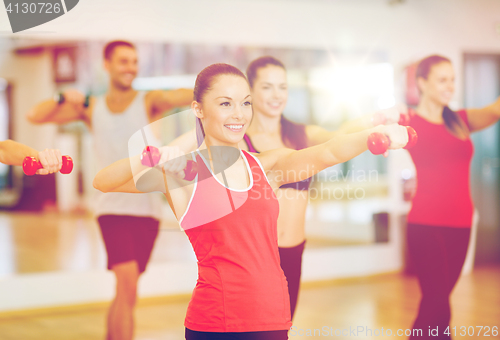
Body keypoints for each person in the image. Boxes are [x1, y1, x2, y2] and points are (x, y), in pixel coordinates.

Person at [93, 63, 410, 339]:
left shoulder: (266, 164)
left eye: (245, 103)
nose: (239, 114)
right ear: (198, 109)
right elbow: (103, 181)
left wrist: (374, 136)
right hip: (215, 321)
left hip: (271, 314)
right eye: (225, 103)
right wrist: (153, 155)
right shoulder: (184, 172)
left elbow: (328, 152)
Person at [170, 56, 405, 319]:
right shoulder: (238, 140)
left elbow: (337, 140)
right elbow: (186, 146)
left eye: (282, 87)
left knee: (282, 324)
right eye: (267, 87)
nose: (276, 95)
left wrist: (378, 124)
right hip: (256, 254)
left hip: (294, 248)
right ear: (250, 91)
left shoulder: (300, 134)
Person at [27, 40, 193, 340]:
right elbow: (35, 116)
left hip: (148, 209)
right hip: (111, 206)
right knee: (126, 282)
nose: (130, 67)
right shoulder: (91, 107)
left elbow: (184, 95)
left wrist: (219, 87)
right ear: (107, 65)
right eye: (123, 61)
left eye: (134, 61)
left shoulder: (150, 100)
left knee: (127, 291)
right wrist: (63, 96)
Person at [406, 54, 500, 339]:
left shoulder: (459, 121)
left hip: (461, 224)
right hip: (425, 225)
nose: (450, 86)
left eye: (452, 80)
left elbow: (495, 111)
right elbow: (371, 129)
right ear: (422, 83)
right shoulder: (409, 122)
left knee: (440, 302)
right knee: (437, 303)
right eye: (442, 80)